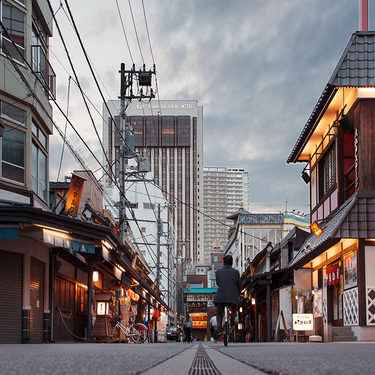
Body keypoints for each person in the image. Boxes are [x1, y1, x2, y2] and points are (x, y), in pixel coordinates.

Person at [213, 254, 242, 333]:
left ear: (223, 263)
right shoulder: (236, 272)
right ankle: (232, 319)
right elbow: (239, 285)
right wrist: (238, 294)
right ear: (232, 263)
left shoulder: (218, 272)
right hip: (232, 296)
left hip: (220, 296)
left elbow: (218, 283)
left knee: (219, 311)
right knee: (234, 307)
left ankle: (219, 326)